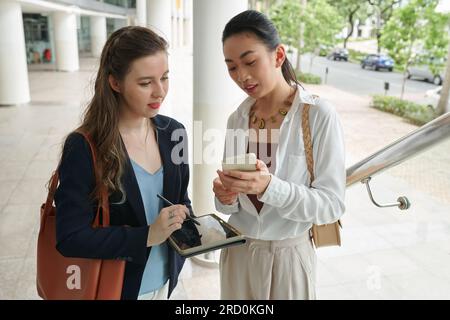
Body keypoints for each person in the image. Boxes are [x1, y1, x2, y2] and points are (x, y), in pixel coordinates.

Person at [213, 10, 346, 300]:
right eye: (232, 67)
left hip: (289, 257)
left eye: (250, 62)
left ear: (278, 55)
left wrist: (270, 188)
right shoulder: (237, 118)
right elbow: (229, 206)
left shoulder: (317, 115)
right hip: (237, 254)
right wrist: (225, 195)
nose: (242, 76)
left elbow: (332, 205)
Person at [54, 26, 192, 300]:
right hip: (117, 289)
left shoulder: (174, 133)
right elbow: (70, 237)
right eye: (145, 83)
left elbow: (181, 200)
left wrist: (191, 221)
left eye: (164, 78)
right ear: (115, 83)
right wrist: (146, 236)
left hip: (169, 285)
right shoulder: (84, 146)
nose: (160, 91)